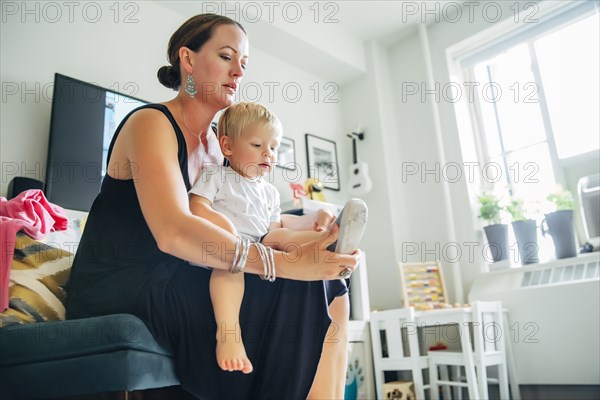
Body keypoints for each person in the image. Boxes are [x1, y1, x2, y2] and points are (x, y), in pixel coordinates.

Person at [65, 13, 361, 399]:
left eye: (244, 64)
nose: (238, 71)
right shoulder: (150, 123)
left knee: (331, 283)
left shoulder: (215, 151)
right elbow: (175, 231)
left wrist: (308, 231)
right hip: (128, 283)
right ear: (187, 60)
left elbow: (242, 218)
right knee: (298, 285)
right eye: (226, 56)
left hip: (181, 273)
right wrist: (285, 262)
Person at [189, 102, 358, 377]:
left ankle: (327, 238)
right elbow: (197, 207)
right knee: (231, 267)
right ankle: (228, 334)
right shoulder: (216, 175)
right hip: (227, 249)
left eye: (274, 147)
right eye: (257, 145)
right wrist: (226, 229)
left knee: (280, 235)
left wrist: (309, 226)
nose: (268, 153)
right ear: (228, 147)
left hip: (260, 245)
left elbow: (275, 229)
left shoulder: (269, 192)